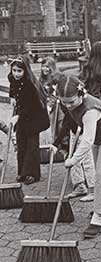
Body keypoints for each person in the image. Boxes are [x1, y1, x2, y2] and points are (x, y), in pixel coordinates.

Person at [52, 74, 101, 238]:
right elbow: (70, 123)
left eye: (71, 101)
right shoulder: (71, 104)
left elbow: (87, 140)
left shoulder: (90, 110)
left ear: (80, 94)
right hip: (100, 135)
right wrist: (59, 143)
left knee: (100, 174)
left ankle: (98, 217)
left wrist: (74, 160)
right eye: (64, 102)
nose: (68, 105)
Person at [67, 41, 101, 201]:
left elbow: (85, 88)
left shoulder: (90, 68)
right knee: (86, 150)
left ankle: (84, 185)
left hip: (86, 108)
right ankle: (87, 186)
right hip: (91, 107)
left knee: (82, 148)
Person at [8, 55, 50, 185]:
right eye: (14, 70)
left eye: (19, 71)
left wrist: (18, 117)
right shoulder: (12, 79)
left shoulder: (30, 85)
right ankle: (22, 172)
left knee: (32, 146)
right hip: (22, 117)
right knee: (21, 143)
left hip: (34, 117)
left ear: (26, 71)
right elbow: (12, 87)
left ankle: (33, 174)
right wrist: (12, 96)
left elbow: (32, 106)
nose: (16, 74)